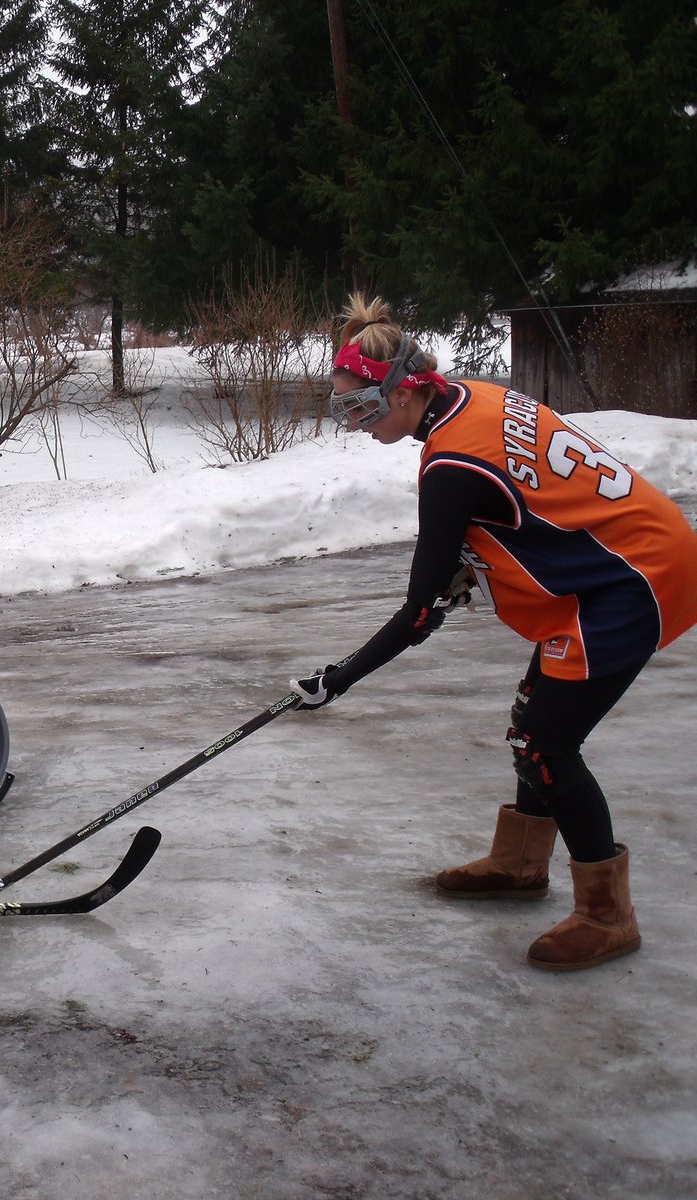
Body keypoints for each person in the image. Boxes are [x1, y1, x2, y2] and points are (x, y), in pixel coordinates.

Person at [289, 294, 697, 971]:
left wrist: (338, 680)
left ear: (405, 389)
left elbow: (418, 612)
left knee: (547, 743)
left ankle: (606, 913)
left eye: (360, 406)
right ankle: (519, 864)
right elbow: (522, 503)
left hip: (634, 579)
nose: (355, 424)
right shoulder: (473, 397)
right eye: (342, 410)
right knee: (532, 721)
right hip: (629, 554)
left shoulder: (450, 466)